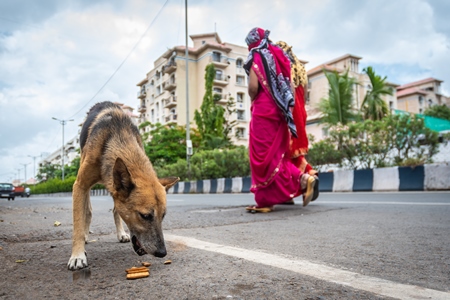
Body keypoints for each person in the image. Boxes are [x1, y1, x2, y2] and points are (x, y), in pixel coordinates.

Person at [244, 27, 316, 213]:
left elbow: (253, 87)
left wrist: (255, 99)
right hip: (282, 113)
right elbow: (291, 87)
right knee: (277, 156)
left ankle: (272, 197)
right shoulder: (280, 57)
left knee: (262, 157)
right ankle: (303, 179)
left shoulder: (257, 56)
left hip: (263, 112)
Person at [276, 40, 319, 204]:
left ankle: (304, 179)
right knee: (295, 153)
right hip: (302, 113)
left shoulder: (284, 69)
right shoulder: (301, 70)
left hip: (290, 114)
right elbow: (305, 95)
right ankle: (311, 176)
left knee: (283, 155)